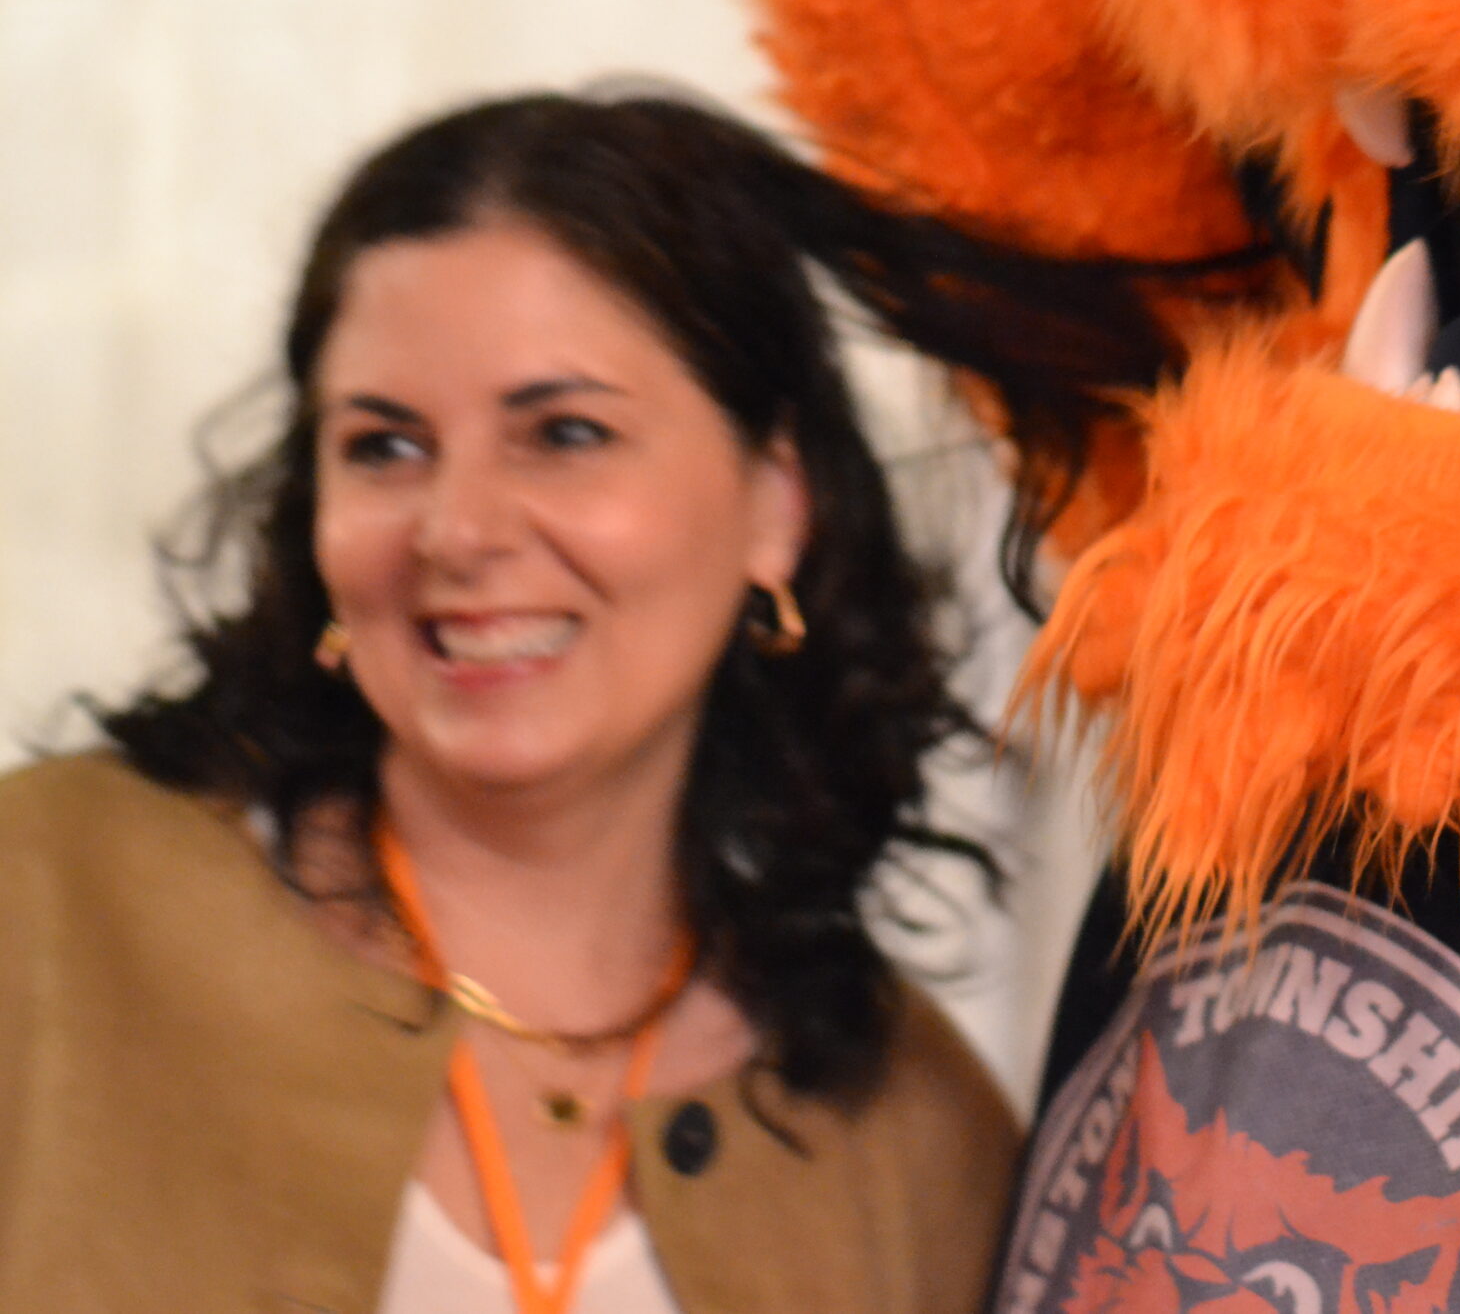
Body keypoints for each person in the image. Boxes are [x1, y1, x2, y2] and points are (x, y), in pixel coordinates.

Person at [0, 91, 1021, 1313]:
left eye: (565, 433)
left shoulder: (918, 1138)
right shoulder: (46, 905)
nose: (458, 529)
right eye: (384, 447)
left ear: (776, 504)